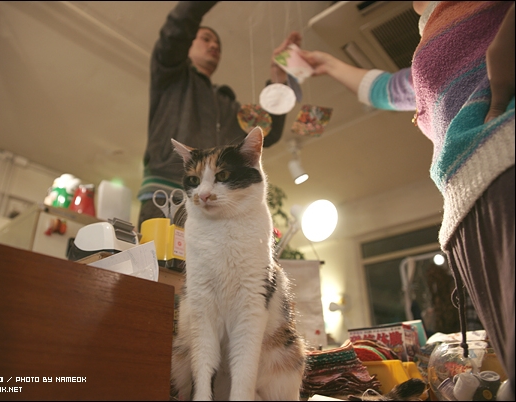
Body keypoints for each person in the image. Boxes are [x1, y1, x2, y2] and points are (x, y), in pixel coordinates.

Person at [299, 1, 514, 398]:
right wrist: (326, 64)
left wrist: (502, 76)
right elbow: (387, 90)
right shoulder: (432, 31)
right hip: (470, 202)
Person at [137, 1, 301, 229]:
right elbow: (174, 33)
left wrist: (278, 79)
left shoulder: (230, 106)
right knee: (162, 264)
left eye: (218, 43)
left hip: (218, 208)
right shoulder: (171, 77)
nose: (214, 44)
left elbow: (267, 132)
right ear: (188, 41)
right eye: (206, 38)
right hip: (167, 198)